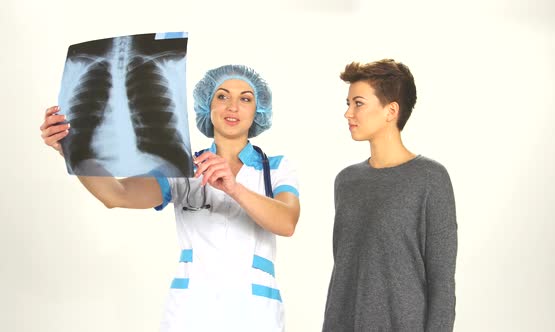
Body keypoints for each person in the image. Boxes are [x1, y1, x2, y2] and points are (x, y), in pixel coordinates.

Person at [40, 64, 300, 332]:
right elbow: (117, 194)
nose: (232, 107)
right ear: (207, 106)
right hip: (190, 314)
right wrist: (73, 151)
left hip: (255, 314)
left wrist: (234, 188)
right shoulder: (183, 168)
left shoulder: (276, 168)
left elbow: (286, 222)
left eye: (245, 98)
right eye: (222, 96)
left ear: (258, 110)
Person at [322, 59, 457, 331]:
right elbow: (344, 272)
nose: (348, 113)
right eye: (348, 104)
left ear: (390, 110)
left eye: (358, 103)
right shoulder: (346, 182)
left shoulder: (430, 179)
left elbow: (442, 284)